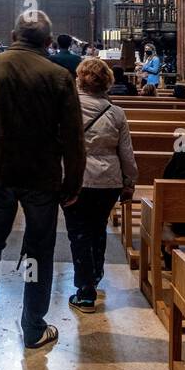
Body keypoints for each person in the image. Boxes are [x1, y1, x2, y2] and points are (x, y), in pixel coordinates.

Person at [0, 9, 85, 353]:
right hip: (42, 176)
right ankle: (33, 326)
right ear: (49, 42)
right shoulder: (58, 75)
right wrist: (73, 181)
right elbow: (72, 136)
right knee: (38, 250)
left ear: (13, 37)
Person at [63, 57, 137, 312]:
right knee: (97, 229)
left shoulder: (68, 108)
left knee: (78, 234)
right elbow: (126, 153)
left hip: (76, 179)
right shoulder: (116, 113)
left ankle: (85, 291)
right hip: (109, 181)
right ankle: (94, 275)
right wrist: (130, 182)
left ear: (80, 79)